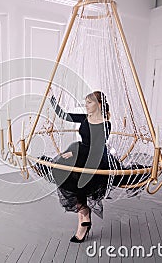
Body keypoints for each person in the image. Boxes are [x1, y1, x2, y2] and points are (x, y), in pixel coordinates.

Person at [38, 91, 114, 243]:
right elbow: (63, 115)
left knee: (80, 179)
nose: (86, 105)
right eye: (85, 102)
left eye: (89, 102)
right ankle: (84, 214)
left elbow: (96, 147)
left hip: (95, 159)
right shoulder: (85, 117)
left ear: (99, 104)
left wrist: (73, 152)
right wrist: (52, 99)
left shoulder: (106, 124)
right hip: (80, 154)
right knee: (64, 174)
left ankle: (84, 222)